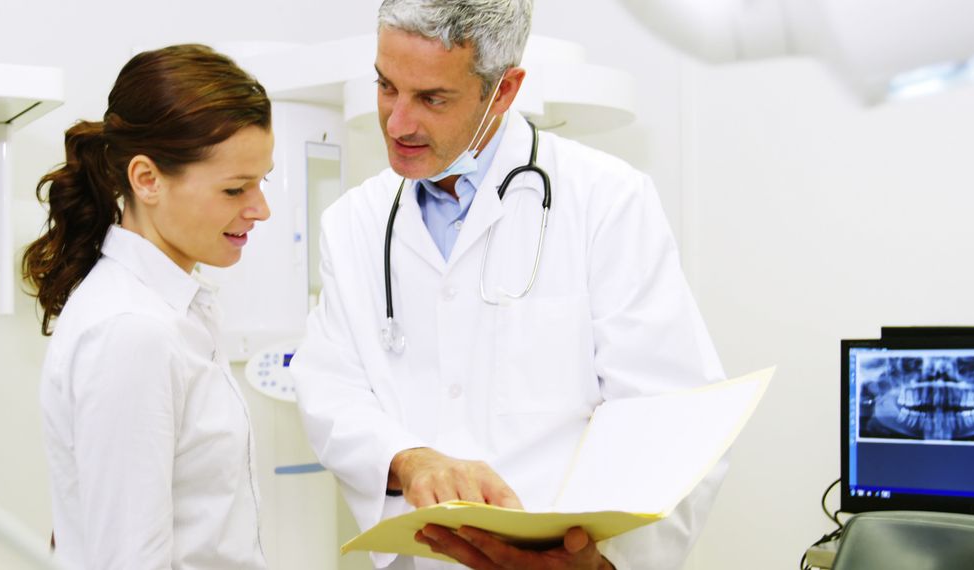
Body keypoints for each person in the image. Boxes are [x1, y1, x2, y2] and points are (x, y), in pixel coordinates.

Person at [291, 1, 727, 568]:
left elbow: (674, 414)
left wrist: (608, 561)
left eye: (431, 98)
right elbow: (331, 389)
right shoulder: (355, 222)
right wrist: (408, 458)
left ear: (502, 90)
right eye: (386, 86)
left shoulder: (605, 200)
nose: (396, 123)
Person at [22, 44, 274, 569]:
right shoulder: (133, 331)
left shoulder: (174, 309)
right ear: (146, 179)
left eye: (261, 181)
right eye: (235, 188)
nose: (261, 209)